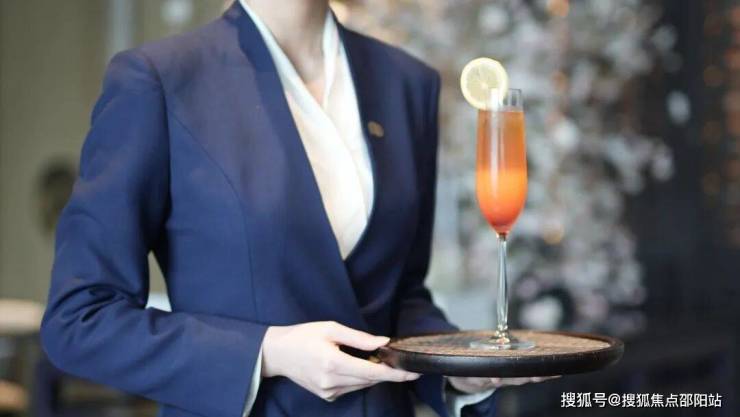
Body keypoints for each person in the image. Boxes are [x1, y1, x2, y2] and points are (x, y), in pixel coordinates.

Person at [40, 1, 550, 416]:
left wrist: (460, 371)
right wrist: (267, 353)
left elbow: (401, 299)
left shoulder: (406, 83)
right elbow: (80, 320)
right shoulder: (161, 79)